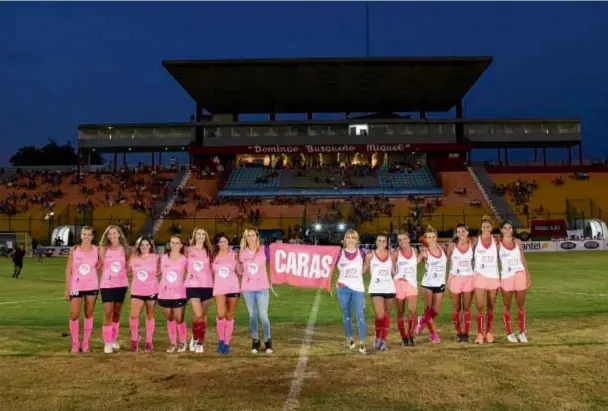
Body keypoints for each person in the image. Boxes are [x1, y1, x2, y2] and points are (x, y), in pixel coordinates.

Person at [238, 228, 274, 354]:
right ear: (245, 238)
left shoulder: (264, 249)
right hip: (248, 288)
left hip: (262, 287)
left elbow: (277, 259)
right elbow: (240, 270)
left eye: (253, 235)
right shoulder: (242, 253)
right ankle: (255, 340)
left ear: (257, 237)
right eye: (248, 235)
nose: (251, 237)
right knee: (252, 315)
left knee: (263, 316)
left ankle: (268, 340)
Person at [64, 226, 98, 353]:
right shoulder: (74, 250)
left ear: (92, 237)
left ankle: (85, 343)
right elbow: (68, 269)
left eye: (89, 234)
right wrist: (67, 288)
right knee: (74, 314)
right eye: (84, 234)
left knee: (89, 313)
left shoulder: (97, 250)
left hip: (92, 286)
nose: (86, 237)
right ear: (81, 235)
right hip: (76, 286)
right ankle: (75, 342)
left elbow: (101, 266)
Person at [335, 229, 367, 354]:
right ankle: (350, 339)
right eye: (348, 237)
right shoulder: (338, 253)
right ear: (344, 239)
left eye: (353, 238)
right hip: (343, 288)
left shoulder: (362, 253)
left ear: (357, 240)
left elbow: (364, 269)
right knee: (347, 316)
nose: (350, 240)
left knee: (360, 316)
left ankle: (363, 342)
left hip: (358, 288)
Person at [499, 220, 531, 343]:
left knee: (520, 305)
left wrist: (527, 276)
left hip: (520, 275)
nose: (507, 230)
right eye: (505, 228)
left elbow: (523, 260)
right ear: (501, 230)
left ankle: (522, 332)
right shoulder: (498, 245)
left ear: (512, 230)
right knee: (507, 306)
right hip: (507, 277)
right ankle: (509, 332)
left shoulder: (518, 242)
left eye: (510, 228)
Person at [98, 225, 129, 354]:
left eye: (114, 233)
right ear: (107, 235)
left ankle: (114, 338)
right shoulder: (103, 249)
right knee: (108, 312)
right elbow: (98, 264)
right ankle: (107, 342)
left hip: (121, 284)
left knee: (116, 313)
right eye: (110, 234)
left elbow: (129, 265)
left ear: (119, 234)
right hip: (106, 284)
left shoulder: (125, 249)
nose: (112, 236)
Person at [416, 225, 447, 343]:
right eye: (428, 237)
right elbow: (416, 262)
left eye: (433, 237)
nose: (431, 239)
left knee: (436, 311)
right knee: (428, 310)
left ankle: (422, 321)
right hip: (427, 284)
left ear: (436, 237)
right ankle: (433, 334)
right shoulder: (425, 251)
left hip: (440, 283)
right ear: (425, 238)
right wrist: (421, 254)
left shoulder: (442, 248)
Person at [128, 237, 160, 352]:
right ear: (138, 246)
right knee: (133, 316)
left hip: (151, 291)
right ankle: (134, 340)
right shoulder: (134, 258)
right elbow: (126, 270)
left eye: (147, 244)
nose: (144, 247)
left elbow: (160, 271)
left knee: (150, 316)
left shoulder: (156, 258)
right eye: (142, 245)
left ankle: (148, 341)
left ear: (150, 246)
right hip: (137, 291)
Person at [185, 228, 214, 353]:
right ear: (194, 236)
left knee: (202, 316)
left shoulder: (209, 251)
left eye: (203, 234)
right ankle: (197, 340)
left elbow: (213, 268)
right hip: (193, 285)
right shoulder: (188, 250)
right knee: (198, 315)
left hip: (207, 286)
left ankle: (198, 340)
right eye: (198, 234)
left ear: (205, 237)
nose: (201, 236)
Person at [473, 216, 501, 344]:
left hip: (493, 277)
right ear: (481, 228)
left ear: (492, 228)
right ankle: (480, 333)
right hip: (479, 277)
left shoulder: (497, 242)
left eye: (488, 226)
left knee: (491, 306)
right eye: (484, 226)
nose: (486, 228)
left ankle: (488, 332)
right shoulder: (475, 241)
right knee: (480, 306)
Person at [158, 234, 189, 353]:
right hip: (164, 293)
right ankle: (172, 343)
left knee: (179, 318)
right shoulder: (163, 258)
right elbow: (158, 272)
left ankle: (182, 342)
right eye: (172, 242)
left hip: (179, 293)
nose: (174, 245)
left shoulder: (184, 259)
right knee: (170, 318)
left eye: (177, 243)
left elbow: (190, 274)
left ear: (181, 245)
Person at [365, 232, 395, 351]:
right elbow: (364, 269)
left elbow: (394, 272)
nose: (382, 243)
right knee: (380, 315)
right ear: (376, 242)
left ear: (387, 243)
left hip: (389, 288)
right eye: (379, 240)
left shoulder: (391, 256)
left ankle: (382, 341)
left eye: (384, 241)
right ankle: (378, 337)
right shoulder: (370, 255)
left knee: (386, 315)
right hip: (376, 288)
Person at [212, 233, 240, 354]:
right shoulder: (213, 256)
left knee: (229, 315)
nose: (223, 244)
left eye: (225, 241)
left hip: (233, 288)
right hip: (219, 289)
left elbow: (239, 272)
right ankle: (221, 340)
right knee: (220, 314)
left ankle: (227, 343)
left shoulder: (234, 255)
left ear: (228, 242)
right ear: (217, 244)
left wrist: (239, 261)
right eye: (220, 242)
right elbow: (211, 273)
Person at [447, 223, 475, 343]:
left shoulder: (472, 244)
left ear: (467, 232)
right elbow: (446, 261)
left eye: (463, 231)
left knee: (467, 308)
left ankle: (466, 333)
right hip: (455, 278)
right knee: (456, 308)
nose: (461, 234)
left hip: (469, 277)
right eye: (458, 232)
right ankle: (459, 332)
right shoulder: (452, 246)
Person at [394, 231, 421, 347]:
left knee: (412, 311)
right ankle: (403, 337)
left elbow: (415, 262)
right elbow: (392, 270)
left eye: (404, 239)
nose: (402, 242)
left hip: (412, 284)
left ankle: (410, 336)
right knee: (400, 312)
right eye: (400, 240)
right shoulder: (396, 253)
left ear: (409, 239)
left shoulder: (414, 251)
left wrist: (423, 255)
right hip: (399, 283)